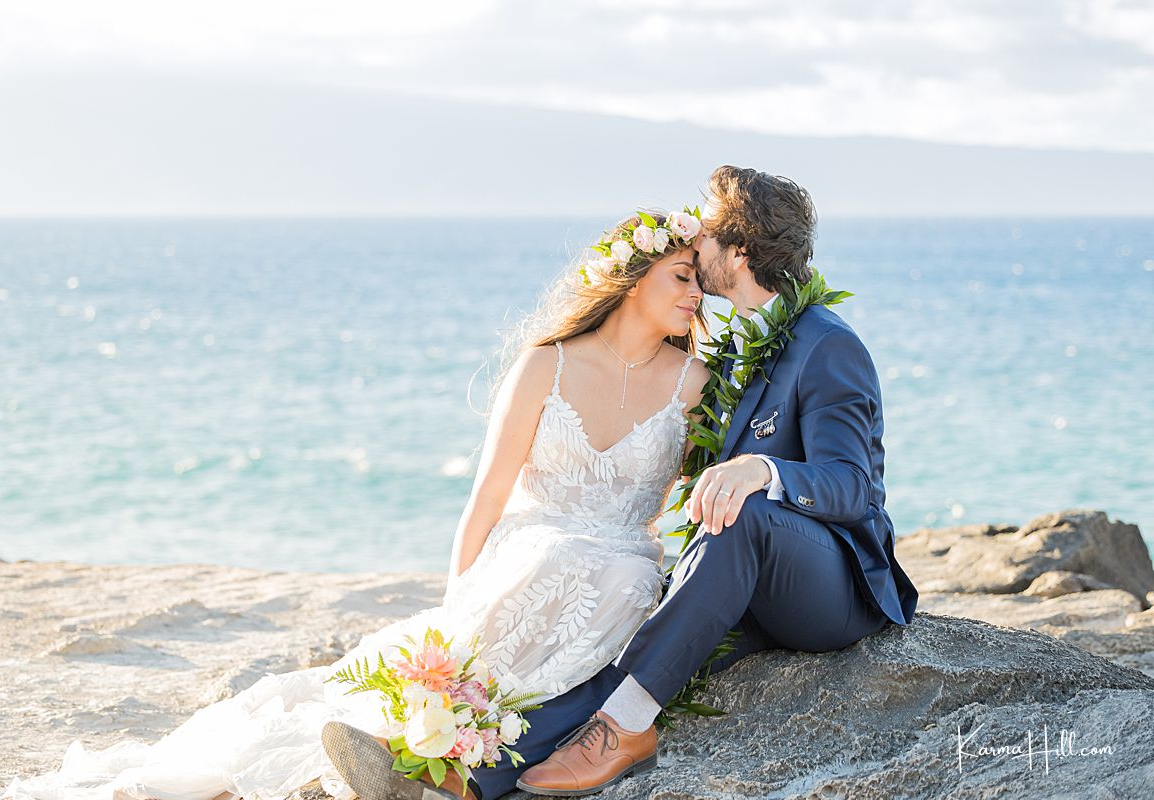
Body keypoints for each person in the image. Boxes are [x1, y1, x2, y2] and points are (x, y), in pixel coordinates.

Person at [4, 210, 712, 800]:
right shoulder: (546, 363)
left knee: (618, 578)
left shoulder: (695, 382)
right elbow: (489, 497)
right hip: (527, 553)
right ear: (628, 276)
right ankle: (426, 732)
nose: (695, 298)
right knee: (535, 566)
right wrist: (452, 606)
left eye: (702, 289)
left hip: (620, 564)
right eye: (682, 277)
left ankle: (449, 755)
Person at [328, 166, 920, 800]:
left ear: (740, 252)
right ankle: (463, 776)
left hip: (834, 587)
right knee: (632, 648)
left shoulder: (827, 345)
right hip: (746, 578)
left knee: (737, 516)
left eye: (710, 237)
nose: (699, 245)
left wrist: (762, 468)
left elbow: (851, 486)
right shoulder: (729, 356)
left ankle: (625, 727)